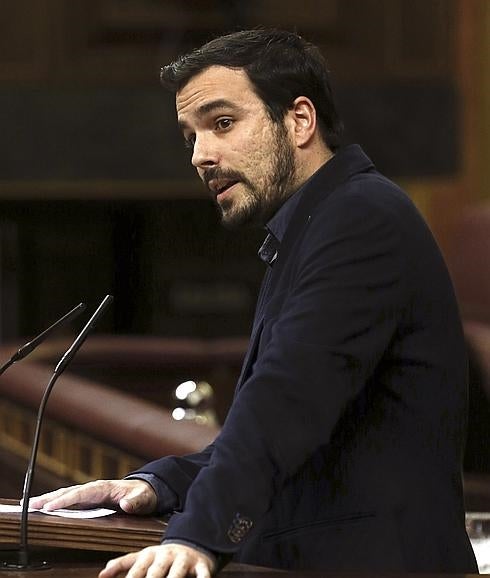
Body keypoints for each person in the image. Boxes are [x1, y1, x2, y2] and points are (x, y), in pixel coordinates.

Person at [30, 28, 478, 578]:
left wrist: (198, 536)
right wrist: (156, 484)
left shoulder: (362, 218)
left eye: (222, 124)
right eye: (190, 136)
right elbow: (301, 430)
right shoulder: (313, 225)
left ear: (299, 121)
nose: (201, 155)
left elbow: (286, 399)